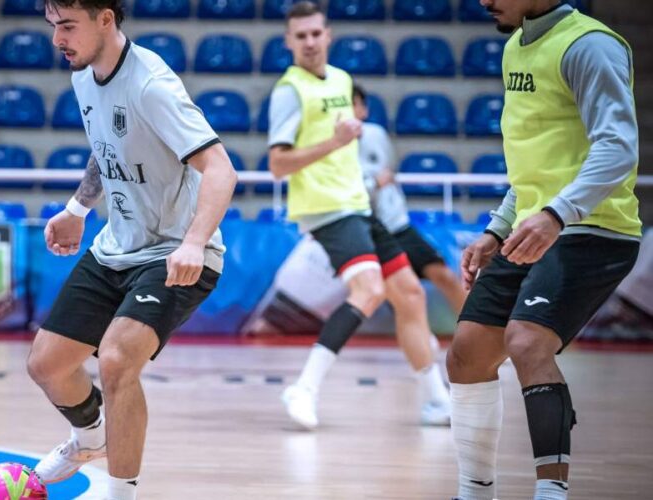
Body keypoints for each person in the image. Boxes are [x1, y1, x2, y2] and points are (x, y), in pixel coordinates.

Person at [28, 0, 237, 497]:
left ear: (106, 18)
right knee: (47, 365)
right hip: (116, 248)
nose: (58, 39)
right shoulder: (83, 75)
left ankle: (121, 491)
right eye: (53, 26)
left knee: (117, 359)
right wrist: (77, 210)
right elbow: (107, 149)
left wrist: (192, 243)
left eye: (68, 26)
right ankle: (88, 440)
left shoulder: (151, 84)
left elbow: (222, 170)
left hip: (175, 254)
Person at [447, 2, 642, 499]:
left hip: (593, 226)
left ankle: (551, 494)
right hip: (535, 226)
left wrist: (557, 214)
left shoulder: (590, 46)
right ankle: (474, 493)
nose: (484, 0)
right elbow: (535, 167)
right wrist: (498, 229)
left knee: (527, 342)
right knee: (467, 354)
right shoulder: (515, 45)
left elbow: (618, 147)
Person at [268, 1, 451, 429]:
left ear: (328, 35)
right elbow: (278, 164)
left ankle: (437, 401)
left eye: (316, 33)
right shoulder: (288, 90)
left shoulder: (343, 80)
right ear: (289, 42)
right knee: (368, 290)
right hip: (324, 208)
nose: (310, 41)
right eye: (301, 36)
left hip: (358, 206)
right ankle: (304, 388)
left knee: (410, 294)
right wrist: (332, 143)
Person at [352, 84, 468, 314]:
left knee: (442, 274)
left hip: (396, 226)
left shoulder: (376, 134)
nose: (348, 110)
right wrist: (374, 184)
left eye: (353, 103)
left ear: (363, 110)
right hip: (360, 231)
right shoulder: (329, 149)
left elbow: (388, 171)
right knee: (386, 292)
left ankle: (476, 334)